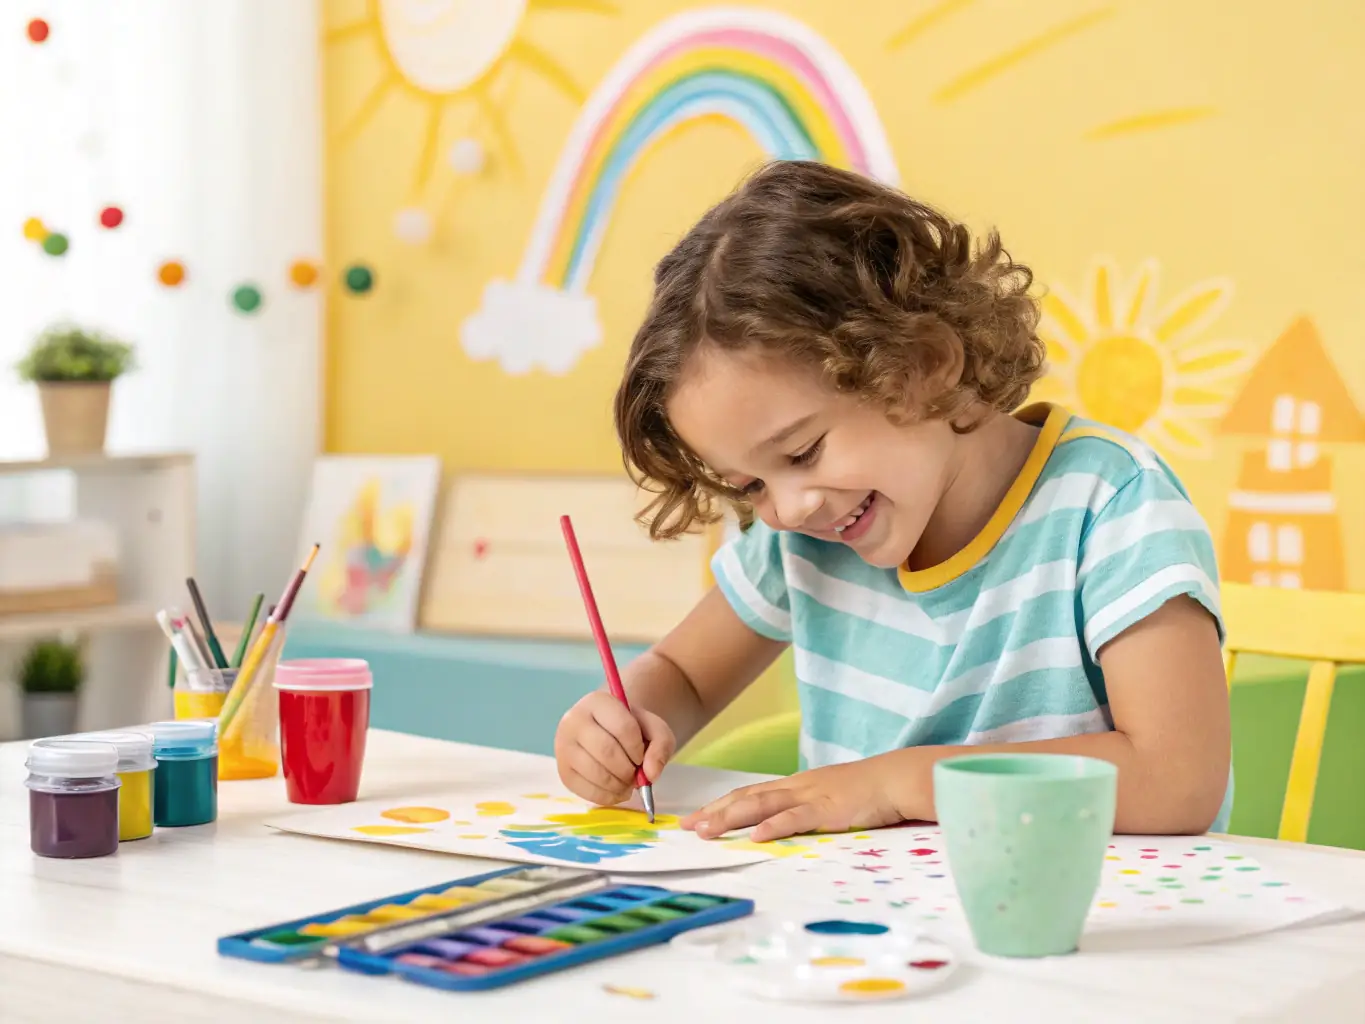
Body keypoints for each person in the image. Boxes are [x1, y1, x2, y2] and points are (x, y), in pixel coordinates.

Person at [553, 160, 1232, 842]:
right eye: (750, 485)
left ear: (922, 363)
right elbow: (682, 676)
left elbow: (1175, 780)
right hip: (867, 907)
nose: (787, 509)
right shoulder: (806, 538)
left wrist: (896, 783)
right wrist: (621, 720)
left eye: (802, 453)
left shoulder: (1108, 505)